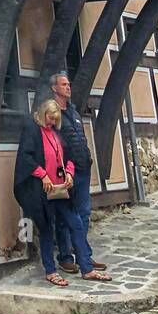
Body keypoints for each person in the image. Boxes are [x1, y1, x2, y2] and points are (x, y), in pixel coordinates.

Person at [13, 99, 112, 286]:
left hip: (62, 190)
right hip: (44, 191)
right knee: (47, 230)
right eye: (50, 118)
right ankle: (50, 271)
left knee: (76, 225)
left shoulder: (56, 133)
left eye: (55, 119)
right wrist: (43, 175)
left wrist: (69, 173)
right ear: (43, 114)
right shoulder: (33, 130)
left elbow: (68, 157)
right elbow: (25, 158)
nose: (51, 122)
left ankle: (86, 268)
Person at [49, 71, 106, 275]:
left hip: (82, 169)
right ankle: (65, 257)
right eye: (64, 84)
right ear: (55, 88)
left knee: (84, 213)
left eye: (68, 84)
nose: (68, 87)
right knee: (65, 217)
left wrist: (87, 157)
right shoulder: (52, 113)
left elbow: (80, 137)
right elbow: (50, 143)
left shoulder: (73, 111)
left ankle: (84, 255)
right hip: (64, 173)